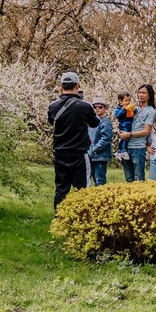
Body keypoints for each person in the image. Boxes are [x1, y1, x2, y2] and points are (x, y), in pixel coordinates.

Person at [47, 71, 99, 210]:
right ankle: (80, 219)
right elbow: (95, 123)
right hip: (79, 153)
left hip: (60, 153)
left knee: (61, 189)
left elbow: (52, 121)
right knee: (81, 189)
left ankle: (59, 219)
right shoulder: (85, 106)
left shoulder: (53, 106)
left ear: (61, 86)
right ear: (77, 86)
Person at [117, 84, 156, 182]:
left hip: (138, 147)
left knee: (138, 178)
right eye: (139, 92)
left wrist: (129, 134)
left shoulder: (150, 111)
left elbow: (146, 131)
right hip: (126, 147)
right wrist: (121, 131)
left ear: (149, 95)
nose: (141, 95)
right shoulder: (134, 109)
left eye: (144, 92)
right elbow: (124, 122)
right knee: (129, 178)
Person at [88, 98, 113, 186]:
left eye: (100, 107)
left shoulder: (105, 122)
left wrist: (94, 150)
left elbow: (106, 139)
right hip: (91, 155)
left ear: (105, 108)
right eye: (95, 107)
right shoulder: (92, 122)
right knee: (93, 179)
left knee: (100, 180)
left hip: (100, 156)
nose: (97, 108)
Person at [113, 92, 135, 161]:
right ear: (120, 101)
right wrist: (123, 110)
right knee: (124, 138)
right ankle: (123, 150)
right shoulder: (118, 109)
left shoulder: (129, 108)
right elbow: (117, 115)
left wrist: (134, 110)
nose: (128, 102)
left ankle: (119, 152)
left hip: (129, 125)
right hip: (124, 125)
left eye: (129, 101)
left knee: (126, 138)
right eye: (126, 101)